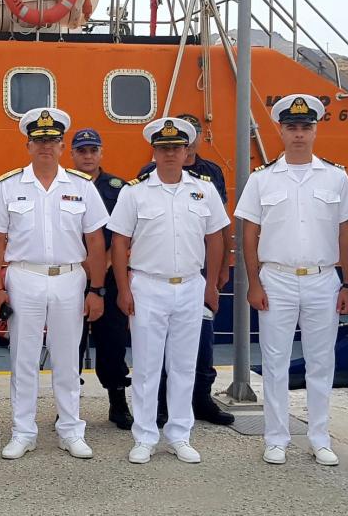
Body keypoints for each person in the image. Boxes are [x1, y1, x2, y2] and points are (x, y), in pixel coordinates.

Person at [234, 94, 348, 466]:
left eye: (306, 127)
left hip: (323, 280)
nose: (300, 134)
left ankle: (319, 438)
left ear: (316, 130)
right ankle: (276, 438)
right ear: (281, 130)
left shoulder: (336, 177)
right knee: (274, 361)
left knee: (322, 362)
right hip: (277, 279)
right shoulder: (262, 180)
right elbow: (249, 233)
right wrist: (254, 283)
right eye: (292, 127)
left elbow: (346, 233)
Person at [0, 108, 108, 461]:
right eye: (39, 141)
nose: (45, 147)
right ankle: (23, 431)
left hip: (69, 278)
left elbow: (96, 241)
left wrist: (96, 289)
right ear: (28, 145)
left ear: (63, 145)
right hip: (24, 277)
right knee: (23, 358)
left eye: (52, 141)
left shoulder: (82, 187)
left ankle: (70, 429)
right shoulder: (8, 186)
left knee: (68, 359)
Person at [108, 117, 228, 465]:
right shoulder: (135, 192)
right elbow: (119, 241)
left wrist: (211, 283)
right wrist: (123, 287)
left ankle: (180, 434)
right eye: (164, 148)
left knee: (184, 364)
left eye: (176, 148)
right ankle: (144, 436)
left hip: (190, 285)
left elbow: (216, 236)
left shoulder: (203, 189)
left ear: (187, 150)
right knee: (146, 365)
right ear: (154, 151)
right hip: (147, 285)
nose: (170, 154)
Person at [138, 114, 234, 426]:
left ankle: (201, 398)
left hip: (199, 272)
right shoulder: (145, 178)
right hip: (159, 274)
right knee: (160, 347)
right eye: (165, 145)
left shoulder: (210, 176)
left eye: (182, 142)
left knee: (200, 341)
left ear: (193, 141)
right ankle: (164, 405)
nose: (174, 150)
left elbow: (219, 228)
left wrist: (220, 272)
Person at [70, 128, 134, 430]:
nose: (87, 156)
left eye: (92, 150)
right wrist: (83, 267)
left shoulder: (118, 189)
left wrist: (102, 265)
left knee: (113, 341)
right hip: (72, 276)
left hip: (108, 276)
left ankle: (117, 402)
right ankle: (68, 406)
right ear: (72, 154)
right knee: (70, 343)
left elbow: (124, 233)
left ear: (101, 153)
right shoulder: (62, 185)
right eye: (82, 151)